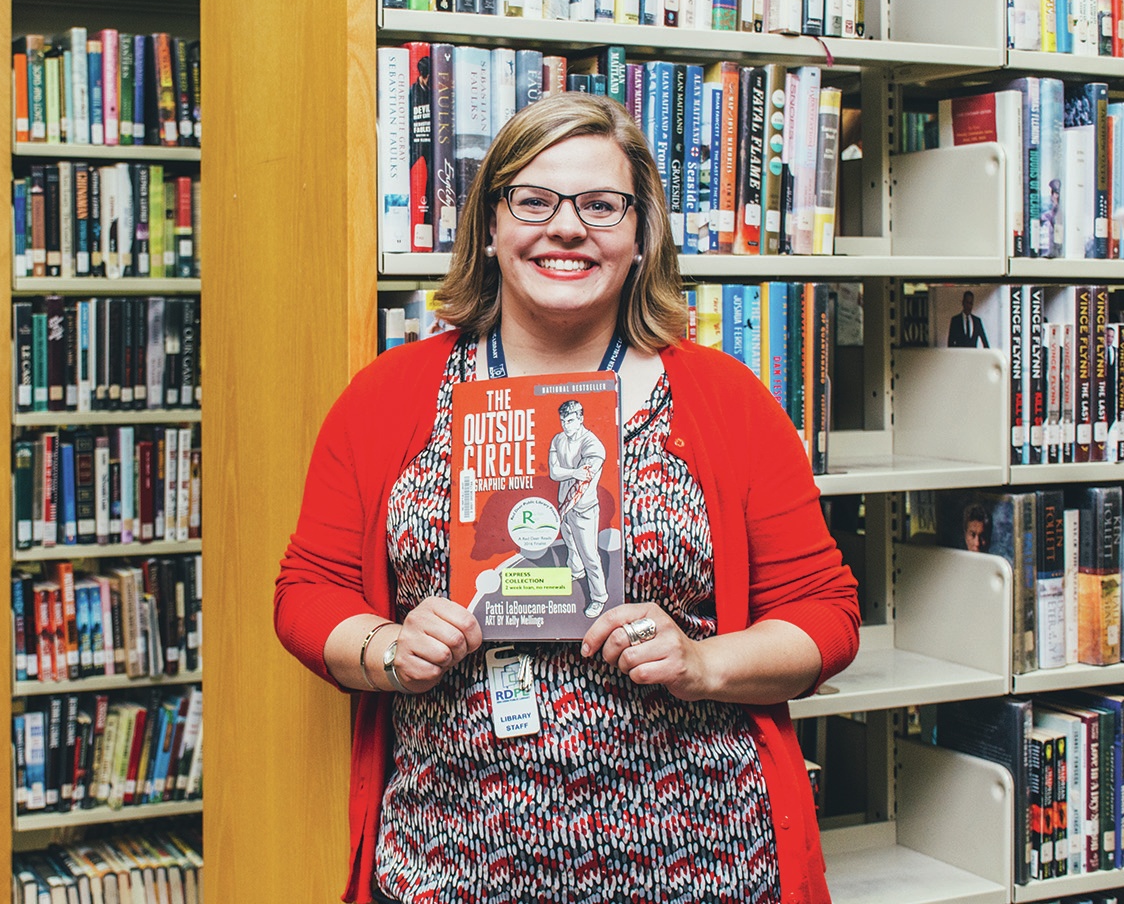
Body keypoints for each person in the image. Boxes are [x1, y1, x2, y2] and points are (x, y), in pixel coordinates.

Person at [275, 92, 861, 904]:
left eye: (600, 205)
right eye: (533, 200)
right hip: (448, 865)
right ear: (489, 225)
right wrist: (386, 649)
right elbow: (308, 590)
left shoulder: (726, 400)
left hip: (698, 865)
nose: (566, 227)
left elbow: (825, 612)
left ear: (637, 234)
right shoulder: (388, 398)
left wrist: (704, 662)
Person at [549, 398, 608, 617]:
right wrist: (573, 472)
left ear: (580, 419)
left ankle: (599, 597)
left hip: (584, 508)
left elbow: (584, 481)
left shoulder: (592, 444)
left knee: (590, 554)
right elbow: (554, 473)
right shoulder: (558, 439)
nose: (566, 425)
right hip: (564, 504)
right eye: (563, 420)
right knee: (571, 545)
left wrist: (570, 474)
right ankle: (576, 571)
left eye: (571, 420)